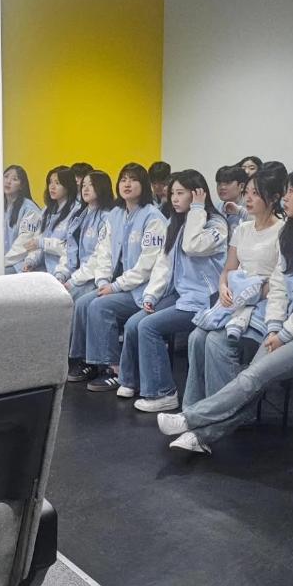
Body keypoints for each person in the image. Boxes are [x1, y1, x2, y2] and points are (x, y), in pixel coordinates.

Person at [158, 168, 293, 454]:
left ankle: (193, 420)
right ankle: (200, 431)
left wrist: (285, 332)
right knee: (251, 374)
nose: (286, 198)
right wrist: (275, 326)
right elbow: (280, 286)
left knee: (255, 376)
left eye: (292, 191)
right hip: (290, 326)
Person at [117, 170, 228, 412]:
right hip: (180, 296)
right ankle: (132, 381)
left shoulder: (216, 224)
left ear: (198, 193)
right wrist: (151, 295)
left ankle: (163, 393)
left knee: (148, 327)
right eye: (172, 194)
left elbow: (193, 245)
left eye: (180, 193)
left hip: (205, 301)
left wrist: (197, 209)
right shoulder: (175, 223)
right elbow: (163, 264)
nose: (174, 199)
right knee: (134, 323)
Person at [184, 168, 286, 408]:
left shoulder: (282, 230)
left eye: (256, 194)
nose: (248, 198)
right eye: (247, 192)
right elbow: (228, 269)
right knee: (196, 337)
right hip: (237, 297)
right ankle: (194, 406)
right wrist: (223, 288)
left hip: (264, 302)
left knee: (216, 341)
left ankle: (222, 409)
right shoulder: (242, 229)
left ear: (273, 198)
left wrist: (250, 292)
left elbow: (281, 280)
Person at [67, 163, 165, 389]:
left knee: (100, 306)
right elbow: (103, 252)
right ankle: (88, 362)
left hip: (142, 289)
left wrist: (115, 286)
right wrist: (103, 281)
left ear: (144, 185)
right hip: (116, 285)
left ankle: (114, 369)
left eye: (133, 179)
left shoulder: (153, 217)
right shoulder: (116, 215)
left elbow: (147, 266)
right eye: (123, 179)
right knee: (83, 303)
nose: (127, 184)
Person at [59, 170, 114, 300]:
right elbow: (68, 249)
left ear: (102, 187)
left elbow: (98, 258)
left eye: (91, 185)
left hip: (92, 277)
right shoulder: (79, 216)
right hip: (76, 274)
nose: (86, 189)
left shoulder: (107, 218)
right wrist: (61, 274)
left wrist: (73, 281)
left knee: (62, 299)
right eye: (83, 185)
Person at [23, 167, 79, 276]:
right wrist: (31, 261)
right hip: (46, 269)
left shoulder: (76, 212)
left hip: (64, 273)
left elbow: (69, 249)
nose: (52, 187)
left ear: (68, 186)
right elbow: (39, 240)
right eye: (50, 182)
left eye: (57, 183)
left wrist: (42, 243)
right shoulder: (47, 210)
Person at [3, 165, 40, 274]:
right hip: (4, 262)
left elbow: (23, 246)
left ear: (21, 186)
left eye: (14, 179)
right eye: (6, 176)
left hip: (20, 264)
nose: (8, 181)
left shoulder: (30, 210)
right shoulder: (0, 206)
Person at [215, 164, 249, 237]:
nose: (222, 187)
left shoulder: (251, 208)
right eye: (219, 183)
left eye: (228, 183)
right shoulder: (215, 208)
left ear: (242, 186)